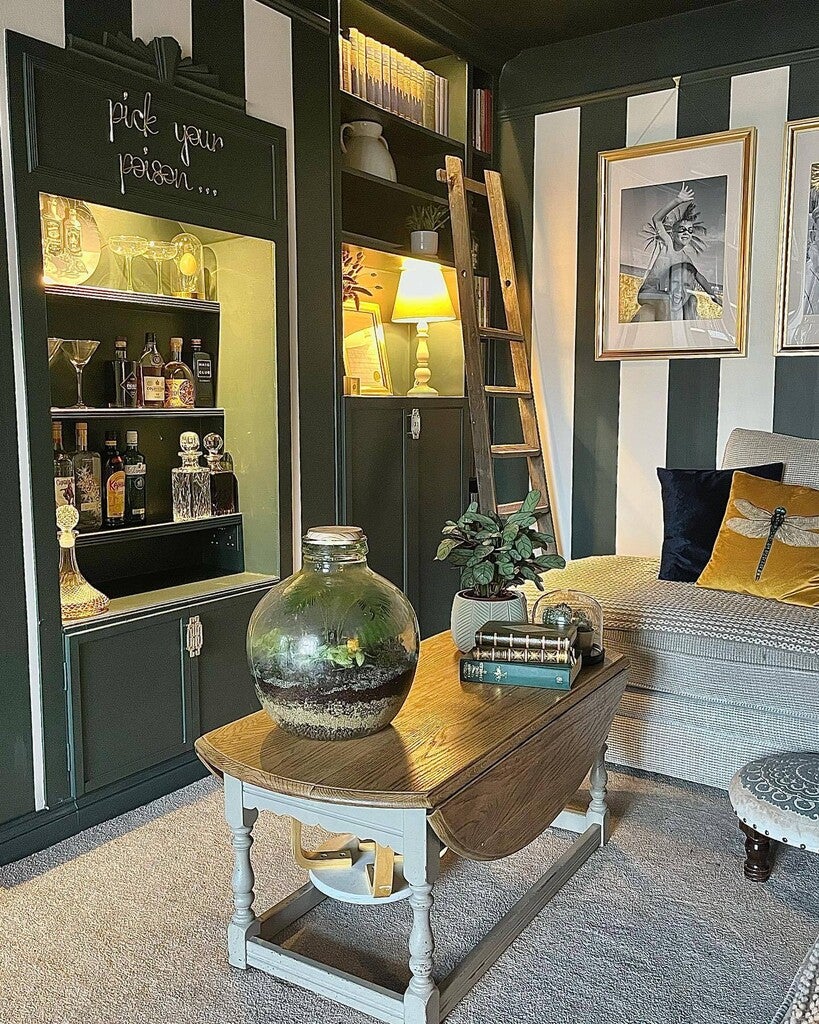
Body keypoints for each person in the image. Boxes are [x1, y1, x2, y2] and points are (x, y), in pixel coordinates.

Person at [632, 183, 722, 322]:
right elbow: (657, 219)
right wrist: (677, 200)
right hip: (648, 293)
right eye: (682, 229)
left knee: (691, 300)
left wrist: (714, 296)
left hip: (663, 294)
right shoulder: (668, 245)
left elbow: (700, 278)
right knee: (665, 300)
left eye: (690, 231)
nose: (686, 233)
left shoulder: (685, 259)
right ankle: (666, 336)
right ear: (673, 234)